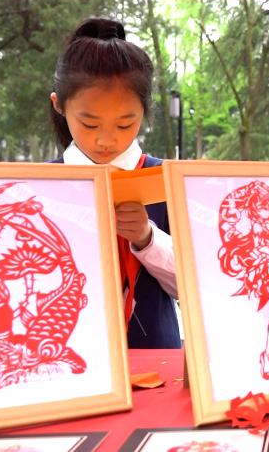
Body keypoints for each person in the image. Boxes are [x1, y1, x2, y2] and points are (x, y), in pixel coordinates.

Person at [50, 17, 180, 349]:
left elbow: (195, 285)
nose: (106, 140)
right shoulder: (43, 186)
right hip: (64, 354)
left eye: (124, 124)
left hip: (154, 357)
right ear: (59, 105)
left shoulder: (165, 180)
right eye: (89, 124)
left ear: (144, 112)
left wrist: (147, 238)